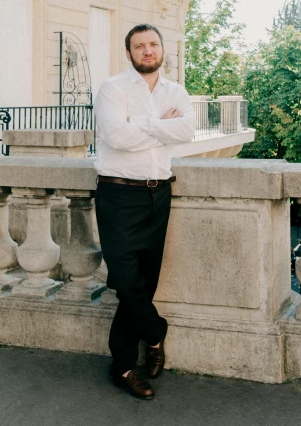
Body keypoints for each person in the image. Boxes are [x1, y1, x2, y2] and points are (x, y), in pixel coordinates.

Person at [94, 23, 196, 400]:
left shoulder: (176, 91)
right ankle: (155, 333)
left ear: (162, 49)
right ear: (129, 53)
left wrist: (142, 125)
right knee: (124, 278)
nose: (148, 50)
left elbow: (186, 131)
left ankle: (122, 367)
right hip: (118, 195)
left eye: (153, 44)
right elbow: (115, 137)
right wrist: (160, 126)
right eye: (140, 46)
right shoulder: (113, 89)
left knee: (145, 280)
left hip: (159, 196)